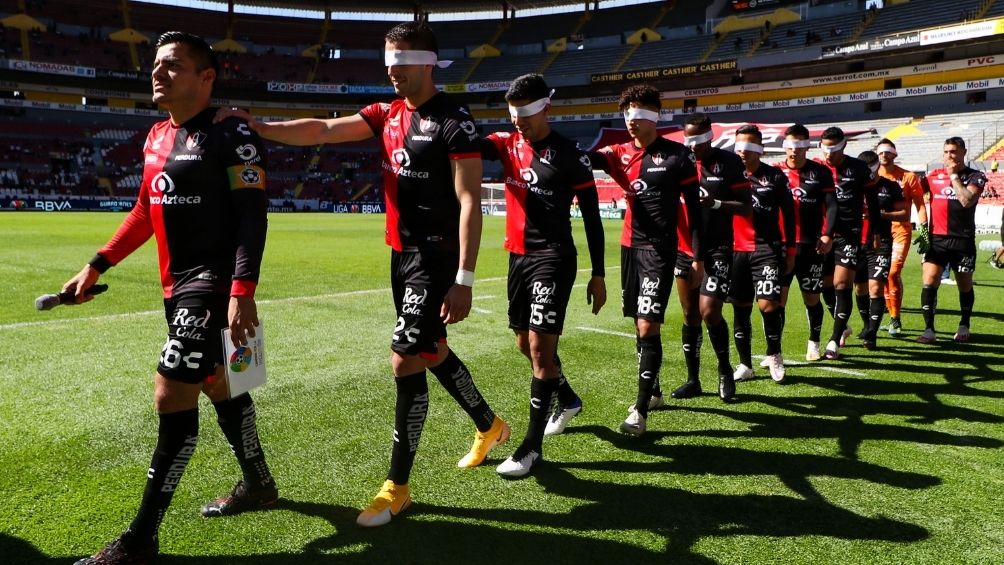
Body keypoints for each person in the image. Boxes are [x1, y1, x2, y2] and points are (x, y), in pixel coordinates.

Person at [216, 21, 507, 526]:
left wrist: (464, 276)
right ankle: (489, 424)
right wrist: (261, 127)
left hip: (436, 258)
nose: (392, 70)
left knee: (405, 360)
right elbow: (324, 130)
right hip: (401, 254)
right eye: (387, 60)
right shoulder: (386, 114)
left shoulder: (455, 121)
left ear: (427, 62)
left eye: (401, 60)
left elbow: (468, 201)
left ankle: (397, 487)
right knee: (430, 348)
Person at [68, 31, 277, 564]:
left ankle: (141, 540)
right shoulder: (156, 136)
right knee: (216, 381)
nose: (159, 73)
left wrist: (242, 291)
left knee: (171, 391)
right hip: (175, 285)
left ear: (206, 78)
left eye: (174, 66)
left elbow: (253, 216)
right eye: (157, 65)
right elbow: (144, 209)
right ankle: (259, 483)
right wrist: (97, 264)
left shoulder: (233, 134)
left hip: (212, 283)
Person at [479, 74, 606, 477]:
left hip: (553, 258)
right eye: (514, 115)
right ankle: (566, 397)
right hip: (516, 258)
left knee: (538, 350)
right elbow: (463, 144)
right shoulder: (505, 143)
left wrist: (599, 274)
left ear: (545, 108)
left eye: (527, 115)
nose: (520, 123)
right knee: (523, 344)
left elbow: (592, 220)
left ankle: (531, 449)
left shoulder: (571, 155)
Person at [586, 84, 702, 436]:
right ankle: (653, 392)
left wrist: (697, 257)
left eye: (638, 114)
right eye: (627, 114)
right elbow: (586, 159)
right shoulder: (618, 152)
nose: (631, 121)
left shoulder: (678, 156)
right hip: (628, 249)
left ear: (655, 115)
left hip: (660, 251)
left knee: (647, 325)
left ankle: (639, 410)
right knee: (638, 322)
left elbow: (695, 212)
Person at [682, 114, 752, 400]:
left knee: (710, 311)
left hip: (718, 248)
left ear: (710, 135)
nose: (693, 146)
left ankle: (725, 371)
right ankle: (693, 380)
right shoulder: (681, 161)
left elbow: (746, 207)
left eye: (698, 139)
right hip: (684, 249)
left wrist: (717, 203)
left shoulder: (730, 162)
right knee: (690, 315)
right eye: (689, 140)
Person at [729, 125, 796, 384]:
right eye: (739, 147)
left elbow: (789, 216)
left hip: (767, 249)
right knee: (740, 309)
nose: (743, 152)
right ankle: (745, 364)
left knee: (769, 305)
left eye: (749, 147)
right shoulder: (728, 175)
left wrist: (790, 251)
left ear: (761, 149)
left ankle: (774, 354)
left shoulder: (776, 177)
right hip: (735, 250)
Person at [815, 126, 880, 359]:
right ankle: (842, 325)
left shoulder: (859, 168)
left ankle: (833, 341)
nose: (829, 154)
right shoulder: (816, 167)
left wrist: (874, 231)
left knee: (842, 285)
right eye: (825, 149)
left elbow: (872, 202)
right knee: (824, 286)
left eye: (833, 148)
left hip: (848, 235)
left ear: (843, 146)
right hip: (821, 235)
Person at [775, 124, 836, 361]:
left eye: (799, 146)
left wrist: (827, 234)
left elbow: (831, 205)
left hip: (811, 246)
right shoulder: (775, 172)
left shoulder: (820, 173)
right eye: (790, 146)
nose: (794, 151)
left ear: (807, 146)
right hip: (781, 247)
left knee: (811, 297)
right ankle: (774, 349)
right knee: (777, 300)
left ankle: (814, 341)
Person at [917, 137, 986, 343]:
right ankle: (929, 329)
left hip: (962, 240)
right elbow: (914, 194)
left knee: (964, 285)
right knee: (929, 281)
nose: (949, 156)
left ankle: (964, 323)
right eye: (946, 152)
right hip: (936, 239)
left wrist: (954, 176)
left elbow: (966, 200)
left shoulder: (976, 176)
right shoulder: (932, 176)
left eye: (954, 151)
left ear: (964, 152)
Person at [853, 151, 908, 349]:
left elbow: (904, 214)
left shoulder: (890, 186)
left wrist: (880, 215)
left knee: (876, 287)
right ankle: (867, 325)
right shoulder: (853, 187)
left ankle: (872, 334)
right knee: (860, 288)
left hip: (881, 242)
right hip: (857, 242)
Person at [876, 138, 927, 337]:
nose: (884, 155)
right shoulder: (872, 175)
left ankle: (895, 319)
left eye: (888, 151)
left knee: (892, 273)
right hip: (878, 232)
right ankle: (888, 315)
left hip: (901, 231)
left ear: (895, 154)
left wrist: (924, 231)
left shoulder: (908, 177)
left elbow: (920, 205)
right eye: (880, 152)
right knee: (881, 276)